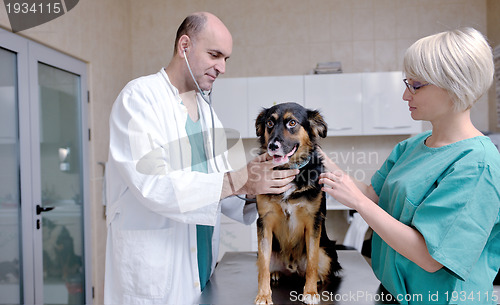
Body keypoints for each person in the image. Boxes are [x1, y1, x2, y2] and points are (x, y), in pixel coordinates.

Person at [103, 12, 298, 304]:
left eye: (226, 59)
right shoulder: (139, 99)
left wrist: (260, 188)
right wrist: (240, 181)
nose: (221, 67)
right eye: (215, 55)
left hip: (201, 265)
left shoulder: (206, 113)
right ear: (184, 46)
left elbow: (220, 186)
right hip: (156, 271)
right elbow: (154, 185)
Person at [319, 27, 500, 305]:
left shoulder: (478, 164)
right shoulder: (411, 147)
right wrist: (321, 160)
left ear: (454, 85)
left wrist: (357, 202)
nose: (406, 96)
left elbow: (430, 258)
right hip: (393, 293)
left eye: (415, 86)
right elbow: (377, 198)